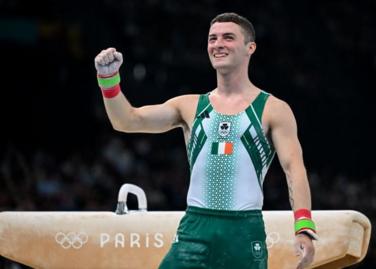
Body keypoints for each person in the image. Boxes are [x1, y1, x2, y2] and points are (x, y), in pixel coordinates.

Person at [94, 12, 317, 269]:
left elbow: (294, 169)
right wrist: (109, 80)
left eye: (228, 37)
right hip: (194, 230)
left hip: (243, 232)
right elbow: (127, 121)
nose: (218, 44)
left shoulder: (273, 109)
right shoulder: (189, 106)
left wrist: (304, 227)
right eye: (212, 38)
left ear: (250, 47)